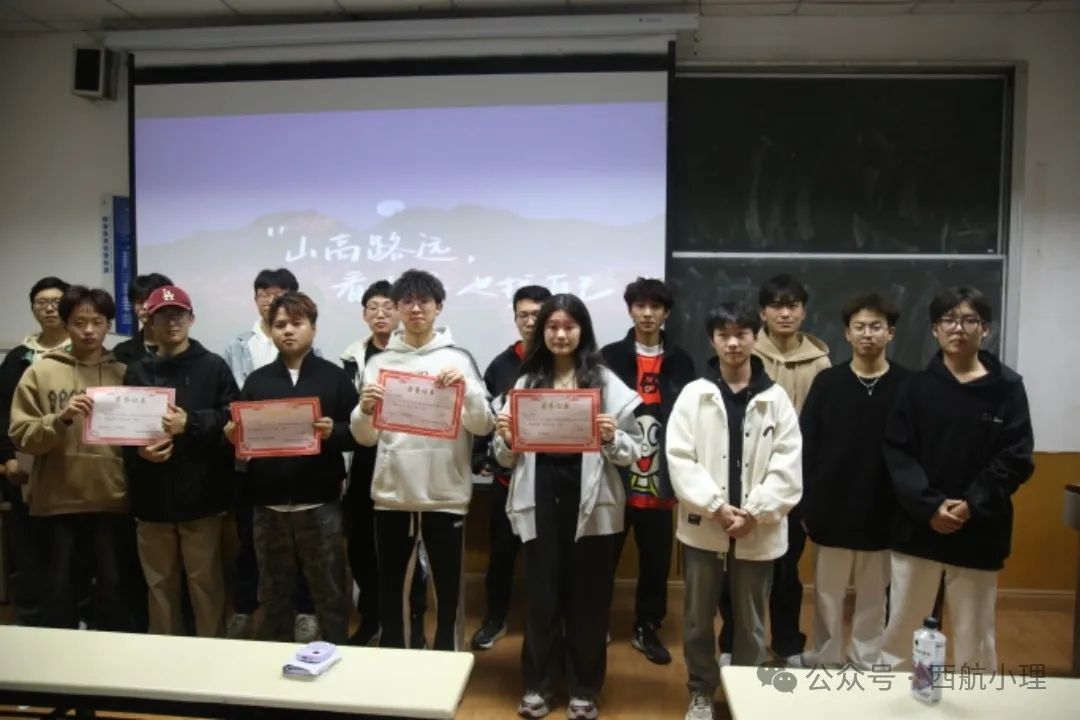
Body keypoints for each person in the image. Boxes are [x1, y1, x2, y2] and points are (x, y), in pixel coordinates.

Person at [495, 293, 643, 720]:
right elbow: (504, 457)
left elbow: (632, 452)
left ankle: (583, 688)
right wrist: (506, 439)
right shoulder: (526, 383)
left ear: (583, 331)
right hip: (540, 495)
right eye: (553, 327)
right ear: (542, 332)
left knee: (589, 601)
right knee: (541, 599)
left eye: (569, 326)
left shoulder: (606, 382)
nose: (560, 334)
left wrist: (613, 436)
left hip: (590, 501)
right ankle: (538, 685)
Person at [878, 287, 1034, 671]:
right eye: (948, 320)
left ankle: (975, 700)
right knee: (902, 631)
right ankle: (894, 699)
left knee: (974, 637)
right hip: (918, 527)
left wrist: (970, 505)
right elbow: (898, 454)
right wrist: (931, 506)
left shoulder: (1007, 388)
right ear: (935, 329)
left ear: (986, 329)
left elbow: (1015, 457)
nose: (958, 328)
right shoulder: (914, 388)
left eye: (969, 320)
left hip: (979, 529)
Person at [666, 301, 802, 720]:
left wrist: (753, 512)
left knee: (751, 621)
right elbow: (680, 458)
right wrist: (715, 507)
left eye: (742, 334)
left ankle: (747, 694)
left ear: (755, 337)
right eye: (724, 335)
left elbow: (787, 463)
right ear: (712, 340)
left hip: (757, 528)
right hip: (705, 526)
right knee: (697, 618)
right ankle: (701, 691)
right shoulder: (694, 394)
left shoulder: (776, 398)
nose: (733, 343)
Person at [351, 269, 494, 652]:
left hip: (446, 494)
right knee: (391, 589)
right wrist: (364, 410)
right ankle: (396, 660)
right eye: (407, 302)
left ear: (438, 307)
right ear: (398, 308)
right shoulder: (379, 363)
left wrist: (467, 392)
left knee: (448, 593)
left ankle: (448, 660)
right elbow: (365, 437)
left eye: (424, 301)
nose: (415, 309)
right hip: (393, 495)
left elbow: (483, 425)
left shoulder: (459, 359)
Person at [225, 292, 357, 644]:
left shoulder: (334, 378)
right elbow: (241, 437)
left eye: (297, 323)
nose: (288, 331)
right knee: (273, 594)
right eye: (280, 324)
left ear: (313, 328)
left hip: (320, 502)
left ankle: (337, 655)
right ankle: (273, 660)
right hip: (268, 505)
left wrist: (334, 432)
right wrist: (233, 436)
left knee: (329, 590)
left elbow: (358, 433)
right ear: (270, 331)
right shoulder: (257, 381)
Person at [9, 285, 135, 632]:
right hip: (57, 501)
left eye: (97, 322)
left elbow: (140, 438)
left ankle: (112, 661)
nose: (89, 330)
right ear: (66, 325)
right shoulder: (40, 373)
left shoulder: (126, 373)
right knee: (58, 593)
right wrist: (60, 418)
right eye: (79, 322)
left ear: (109, 325)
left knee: (114, 593)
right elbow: (22, 436)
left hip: (113, 499)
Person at [718, 274, 829, 667]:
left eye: (792, 305)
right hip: (742, 481)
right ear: (762, 312)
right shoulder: (746, 352)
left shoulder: (820, 362)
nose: (785, 313)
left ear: (804, 312)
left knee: (785, 569)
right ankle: (732, 643)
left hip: (792, 483)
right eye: (776, 306)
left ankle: (787, 643)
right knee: (735, 570)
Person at [800, 293, 909, 668]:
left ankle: (866, 658)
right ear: (847, 333)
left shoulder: (908, 385)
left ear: (890, 333)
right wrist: (807, 505)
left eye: (876, 327)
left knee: (874, 597)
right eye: (859, 327)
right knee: (827, 595)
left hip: (884, 510)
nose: (867, 334)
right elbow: (807, 445)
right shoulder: (828, 382)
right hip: (830, 509)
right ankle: (827, 658)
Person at [123, 284, 238, 637]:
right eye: (163, 316)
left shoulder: (213, 366)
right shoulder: (137, 371)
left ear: (191, 319)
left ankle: (211, 652)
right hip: (151, 496)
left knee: (205, 583)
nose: (172, 322)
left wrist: (191, 423)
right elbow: (122, 429)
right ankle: (163, 654)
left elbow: (233, 418)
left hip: (201, 496)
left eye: (179, 315)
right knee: (159, 584)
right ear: (149, 322)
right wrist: (139, 451)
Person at [600, 277, 695, 665]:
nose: (647, 313)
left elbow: (690, 419)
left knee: (656, 561)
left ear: (666, 313)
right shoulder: (608, 357)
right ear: (630, 310)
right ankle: (596, 621)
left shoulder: (682, 361)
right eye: (640, 306)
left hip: (661, 476)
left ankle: (647, 627)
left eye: (655, 307)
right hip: (615, 474)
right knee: (603, 557)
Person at [223, 267, 318, 642]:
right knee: (251, 543)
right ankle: (247, 609)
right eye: (263, 293)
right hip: (254, 466)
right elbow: (233, 402)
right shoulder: (237, 346)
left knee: (305, 549)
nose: (270, 299)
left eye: (278, 293)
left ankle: (304, 612)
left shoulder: (313, 353)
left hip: (301, 469)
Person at [340, 280, 429, 647]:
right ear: (364, 315)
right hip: (364, 461)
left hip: (406, 463)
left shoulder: (416, 355)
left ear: (400, 312)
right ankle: (371, 619)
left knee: (409, 553)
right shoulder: (350, 360)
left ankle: (413, 623)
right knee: (361, 546)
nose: (380, 314)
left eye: (387, 307)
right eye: (372, 308)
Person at [470, 284, 552, 651]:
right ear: (515, 319)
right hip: (507, 480)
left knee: (548, 560)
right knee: (501, 556)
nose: (530, 322)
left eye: (538, 314)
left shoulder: (564, 360)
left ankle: (547, 625)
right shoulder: (501, 364)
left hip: (551, 482)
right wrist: (480, 456)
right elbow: (485, 417)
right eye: (524, 315)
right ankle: (495, 618)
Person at [0, 276, 71, 626]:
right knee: (29, 553)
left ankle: (72, 622)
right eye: (41, 303)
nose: (49, 308)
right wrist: (6, 459)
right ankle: (31, 624)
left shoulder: (84, 353)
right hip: (25, 471)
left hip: (73, 474)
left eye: (56, 302)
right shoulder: (18, 358)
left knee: (69, 554)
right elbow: (2, 413)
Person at [112, 272, 174, 365]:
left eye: (151, 300)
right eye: (140, 302)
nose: (145, 306)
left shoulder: (186, 350)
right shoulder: (121, 352)